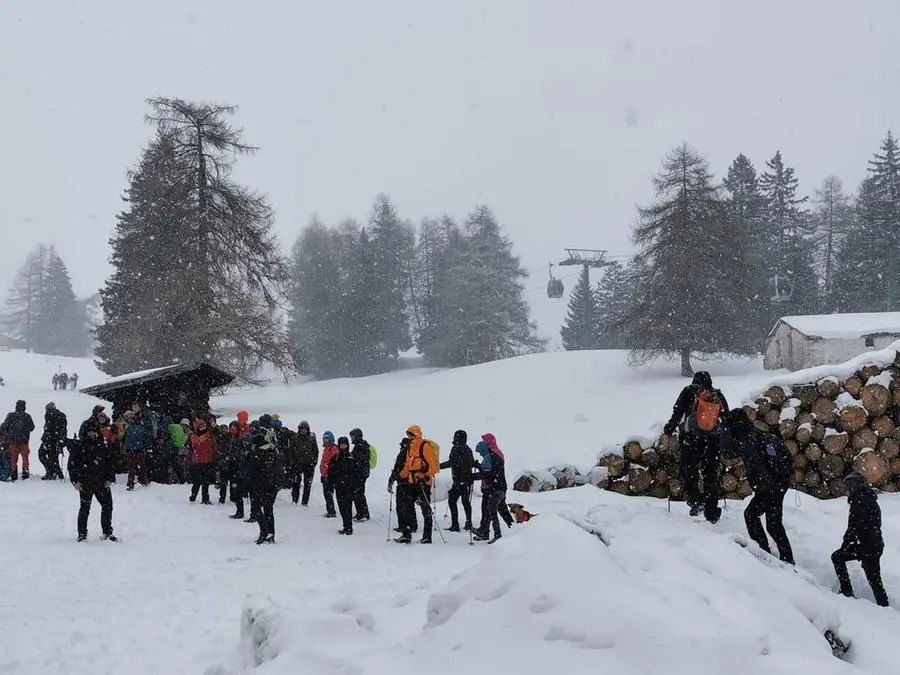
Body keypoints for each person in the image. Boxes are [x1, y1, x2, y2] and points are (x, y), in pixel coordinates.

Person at [721, 409, 795, 564]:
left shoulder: (748, 438)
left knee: (769, 523)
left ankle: (776, 557)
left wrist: (766, 486)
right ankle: (771, 553)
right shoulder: (754, 434)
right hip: (773, 486)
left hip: (770, 487)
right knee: (761, 520)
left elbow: (731, 453)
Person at [663, 371, 729, 522]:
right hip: (712, 441)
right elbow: (726, 418)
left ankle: (696, 502)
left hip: (691, 440)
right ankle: (711, 510)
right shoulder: (716, 395)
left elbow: (678, 412)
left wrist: (670, 427)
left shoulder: (688, 391)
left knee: (688, 469)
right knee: (710, 474)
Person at [832, 472, 889, 607]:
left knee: (837, 557)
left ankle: (847, 592)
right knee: (874, 579)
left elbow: (854, 527)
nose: (847, 490)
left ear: (854, 485)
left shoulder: (860, 501)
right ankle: (884, 605)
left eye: (848, 487)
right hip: (874, 545)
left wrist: (845, 545)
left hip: (868, 547)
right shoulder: (868, 498)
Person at [68, 416, 117, 542]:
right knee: (84, 508)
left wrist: (110, 478)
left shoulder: (103, 446)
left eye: (94, 431)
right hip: (85, 483)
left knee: (107, 506)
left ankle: (107, 532)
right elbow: (72, 465)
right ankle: (82, 534)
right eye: (89, 431)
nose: (92, 434)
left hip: (102, 483)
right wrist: (75, 481)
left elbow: (110, 463)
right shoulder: (79, 446)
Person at [397, 425, 438, 544]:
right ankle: (406, 534)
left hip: (424, 482)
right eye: (408, 434)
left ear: (416, 434)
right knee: (407, 507)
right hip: (411, 481)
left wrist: (424, 474)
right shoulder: (410, 446)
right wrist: (402, 474)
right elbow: (408, 464)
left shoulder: (425, 446)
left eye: (410, 434)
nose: (409, 436)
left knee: (425, 509)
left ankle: (427, 536)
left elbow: (433, 466)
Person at [472, 433, 508, 544]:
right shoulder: (494, 455)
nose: (480, 454)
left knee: (491, 510)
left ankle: (497, 534)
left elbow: (486, 474)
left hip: (495, 488)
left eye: (480, 452)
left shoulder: (489, 457)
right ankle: (484, 532)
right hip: (496, 488)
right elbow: (489, 472)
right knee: (487, 510)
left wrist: (471, 477)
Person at [247, 427, 280, 544]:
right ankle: (268, 532)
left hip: (265, 485)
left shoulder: (264, 454)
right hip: (265, 485)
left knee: (260, 509)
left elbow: (260, 470)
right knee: (264, 509)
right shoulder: (269, 452)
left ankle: (266, 531)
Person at [440, 430, 475, 532]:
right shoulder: (468, 449)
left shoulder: (456, 448)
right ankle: (469, 523)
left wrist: (438, 467)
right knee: (465, 502)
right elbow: (471, 463)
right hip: (467, 480)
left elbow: (451, 462)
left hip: (459, 480)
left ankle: (455, 524)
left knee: (452, 500)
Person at [388, 437, 418, 534]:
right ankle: (413, 524)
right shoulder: (413, 454)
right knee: (410, 505)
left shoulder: (402, 454)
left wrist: (391, 480)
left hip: (402, 483)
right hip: (412, 483)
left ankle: (403, 525)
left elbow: (397, 468)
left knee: (401, 506)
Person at [1, 400, 35, 481]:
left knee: (13, 459)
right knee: (25, 459)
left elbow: (5, 427)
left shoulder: (10, 415)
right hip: (24, 442)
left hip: (13, 442)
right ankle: (25, 473)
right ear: (24, 407)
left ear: (16, 406)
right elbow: (32, 427)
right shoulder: (27, 416)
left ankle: (14, 474)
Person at [329, 436, 356, 535]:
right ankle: (346, 526)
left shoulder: (351, 458)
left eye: (345, 444)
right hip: (339, 487)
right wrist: (330, 486)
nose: (343, 446)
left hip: (349, 487)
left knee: (347, 508)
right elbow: (331, 473)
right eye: (341, 444)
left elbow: (355, 474)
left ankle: (348, 527)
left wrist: (354, 486)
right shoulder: (336, 458)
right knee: (341, 507)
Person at [188, 419, 217, 504]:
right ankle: (203, 498)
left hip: (199, 461)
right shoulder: (209, 435)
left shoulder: (193, 436)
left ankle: (195, 496)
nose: (204, 427)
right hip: (205, 460)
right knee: (203, 481)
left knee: (200, 481)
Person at [291, 421, 318, 506]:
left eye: (305, 429)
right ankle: (295, 500)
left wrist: (313, 462)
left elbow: (315, 451)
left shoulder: (312, 438)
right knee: (296, 483)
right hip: (297, 464)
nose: (303, 431)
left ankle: (305, 502)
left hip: (309, 465)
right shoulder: (295, 438)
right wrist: (293, 462)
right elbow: (291, 451)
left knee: (307, 484)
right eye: (302, 429)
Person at [122, 409, 151, 490]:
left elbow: (123, 439)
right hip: (137, 450)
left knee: (133, 468)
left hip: (132, 450)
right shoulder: (141, 428)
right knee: (140, 467)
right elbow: (146, 438)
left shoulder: (128, 428)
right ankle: (142, 482)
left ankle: (132, 483)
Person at [39, 402, 67, 480]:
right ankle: (54, 473)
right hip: (49, 439)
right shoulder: (50, 416)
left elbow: (62, 430)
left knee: (50, 457)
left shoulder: (58, 416)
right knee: (50, 457)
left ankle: (53, 473)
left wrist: (60, 440)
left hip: (53, 440)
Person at [349, 428, 371, 521]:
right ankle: (362, 512)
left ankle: (362, 513)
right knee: (358, 494)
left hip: (360, 474)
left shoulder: (362, 446)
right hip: (359, 473)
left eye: (353, 436)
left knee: (358, 494)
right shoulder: (359, 445)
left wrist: (353, 458)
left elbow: (362, 460)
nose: (351, 438)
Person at [320, 431, 338, 518]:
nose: (325, 440)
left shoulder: (334, 449)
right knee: (326, 494)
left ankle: (331, 511)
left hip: (329, 476)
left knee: (328, 493)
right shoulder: (326, 449)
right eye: (324, 438)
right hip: (324, 475)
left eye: (326, 438)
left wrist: (328, 474)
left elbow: (332, 464)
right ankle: (330, 510)